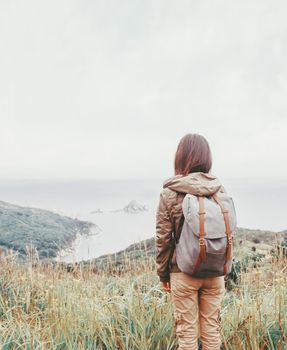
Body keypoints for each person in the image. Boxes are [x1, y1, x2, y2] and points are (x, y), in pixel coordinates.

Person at [155, 133, 226, 350]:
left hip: (183, 272)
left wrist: (163, 274)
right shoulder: (219, 190)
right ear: (207, 158)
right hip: (215, 272)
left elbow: (163, 239)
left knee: (187, 335)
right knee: (212, 331)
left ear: (180, 158)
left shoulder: (169, 193)